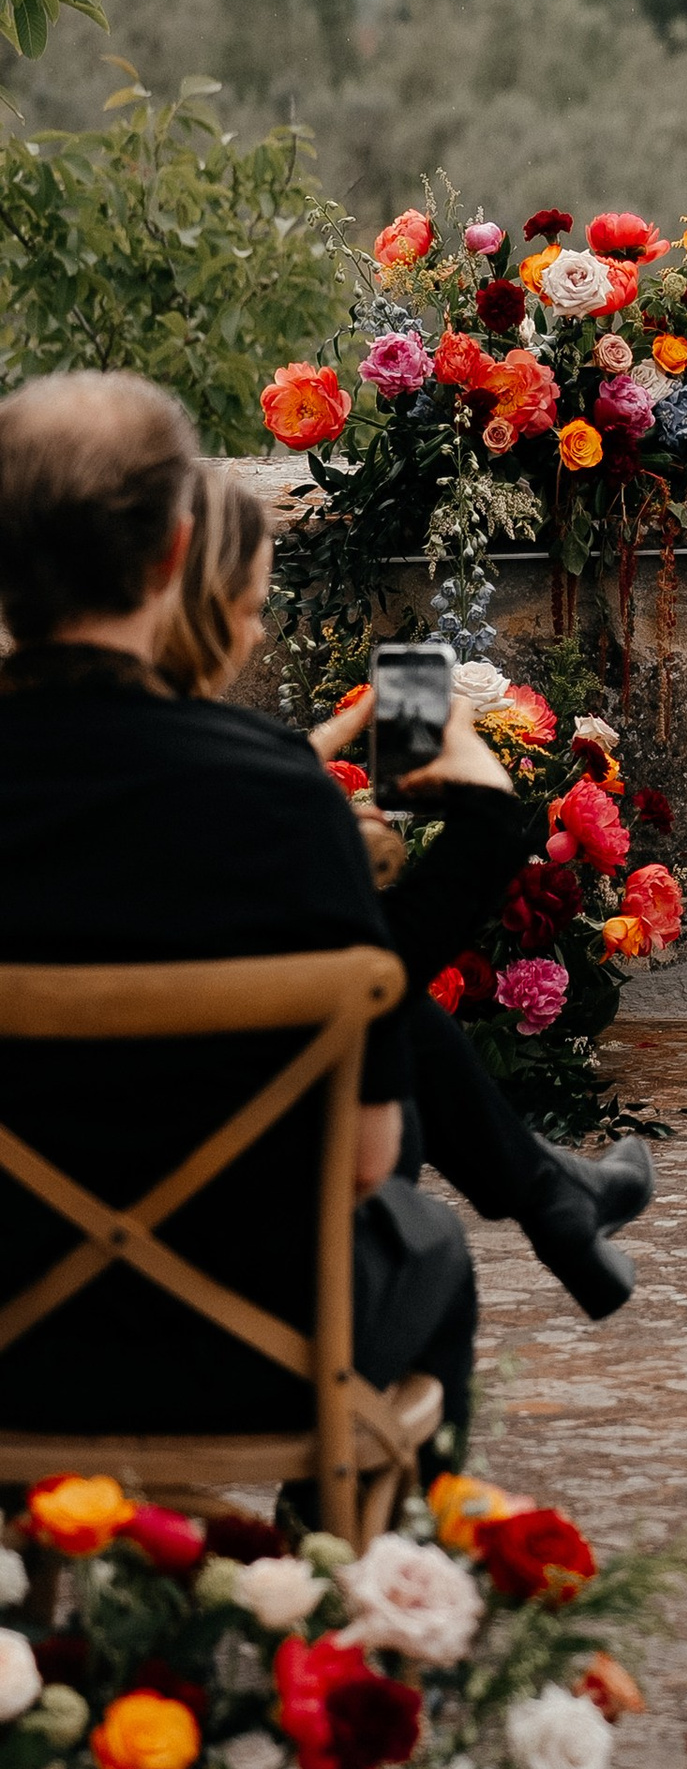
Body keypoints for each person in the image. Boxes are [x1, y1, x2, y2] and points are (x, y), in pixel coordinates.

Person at [0, 374, 479, 1444]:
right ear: (175, 555)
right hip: (244, 1351)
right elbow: (364, 1161)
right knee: (429, 1245)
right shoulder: (280, 804)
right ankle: (333, 1591)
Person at [154, 454, 654, 1321]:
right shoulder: (259, 807)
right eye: (250, 608)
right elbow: (371, 1119)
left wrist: (294, 760)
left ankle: (555, 1197)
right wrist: (486, 808)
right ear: (174, 572)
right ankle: (549, 1199)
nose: (260, 634)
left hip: (32, 1284)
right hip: (234, 1292)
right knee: (379, 1020)